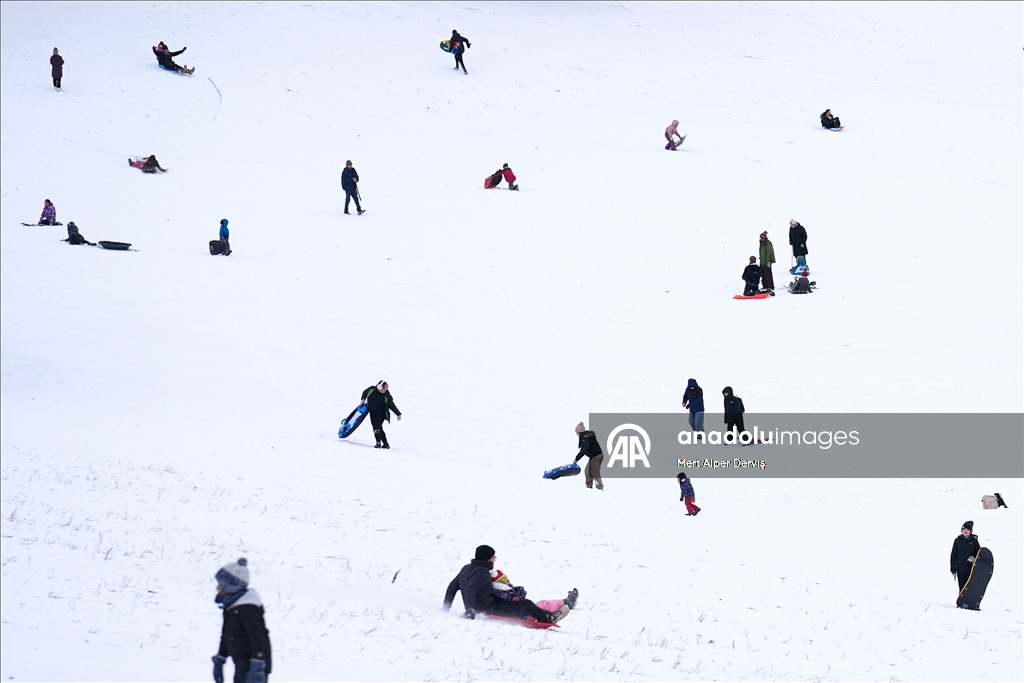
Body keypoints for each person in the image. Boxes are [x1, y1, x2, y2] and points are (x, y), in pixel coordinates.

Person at [442, 545, 570, 624]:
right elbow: (470, 589)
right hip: (489, 609)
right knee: (526, 604)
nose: (494, 560)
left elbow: (452, 587)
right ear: (487, 559)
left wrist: (446, 607)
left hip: (488, 604)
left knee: (516, 602)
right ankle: (548, 618)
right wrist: (470, 610)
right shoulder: (482, 572)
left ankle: (550, 610)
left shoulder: (466, 568)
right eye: (493, 558)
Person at [212, 558, 272, 683]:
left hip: (254, 669)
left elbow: (258, 638)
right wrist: (221, 657)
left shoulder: (248, 609)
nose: (217, 588)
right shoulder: (232, 607)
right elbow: (228, 635)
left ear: (231, 586)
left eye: (221, 584)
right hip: (243, 665)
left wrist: (257, 666)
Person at [490, 568, 578, 623]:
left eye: (506, 577)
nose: (507, 580)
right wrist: (518, 591)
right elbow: (518, 598)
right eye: (504, 579)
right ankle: (552, 615)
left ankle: (565, 602)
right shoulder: (501, 592)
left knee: (543, 604)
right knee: (543, 604)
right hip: (523, 615)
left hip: (523, 612)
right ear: (499, 582)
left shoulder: (506, 590)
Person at [361, 380, 401, 448]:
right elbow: (364, 393)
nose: (386, 389)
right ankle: (386, 444)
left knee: (376, 427)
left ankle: (378, 443)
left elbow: (391, 405)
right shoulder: (371, 390)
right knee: (379, 428)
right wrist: (363, 400)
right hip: (372, 412)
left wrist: (398, 414)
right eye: (385, 388)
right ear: (380, 387)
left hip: (381, 414)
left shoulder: (387, 396)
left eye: (387, 388)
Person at [950, 521, 981, 592]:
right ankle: (962, 600)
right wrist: (953, 568)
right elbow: (953, 555)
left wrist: (974, 559)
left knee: (970, 586)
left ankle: (970, 601)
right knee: (962, 585)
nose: (965, 530)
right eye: (964, 529)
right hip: (960, 568)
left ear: (971, 531)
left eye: (967, 529)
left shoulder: (974, 541)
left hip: (971, 569)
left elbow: (979, 554)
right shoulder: (957, 541)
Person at [573, 422, 604, 490]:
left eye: (577, 432)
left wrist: (576, 459)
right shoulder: (586, 436)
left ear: (579, 432)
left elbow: (583, 450)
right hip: (594, 456)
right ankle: (589, 487)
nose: (576, 434)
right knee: (587, 471)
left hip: (596, 456)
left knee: (595, 472)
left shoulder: (585, 438)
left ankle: (599, 487)